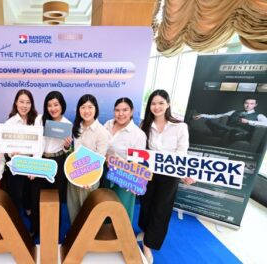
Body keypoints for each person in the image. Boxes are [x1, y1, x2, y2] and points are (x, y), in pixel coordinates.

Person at [139, 89, 195, 263]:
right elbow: (141, 151)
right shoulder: (145, 124)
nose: (157, 107)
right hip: (148, 173)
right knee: (146, 204)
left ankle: (148, 245)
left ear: (168, 104)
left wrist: (184, 173)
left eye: (161, 103)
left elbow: (182, 153)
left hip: (169, 175)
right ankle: (145, 230)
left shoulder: (180, 126)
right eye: (153, 103)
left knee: (161, 209)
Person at [31, 91, 72, 237]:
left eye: (56, 104)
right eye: (49, 105)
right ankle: (36, 228)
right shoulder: (40, 119)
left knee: (56, 197)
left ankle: (54, 228)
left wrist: (67, 146)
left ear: (62, 105)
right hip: (41, 160)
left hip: (58, 162)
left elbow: (66, 149)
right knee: (36, 196)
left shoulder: (67, 124)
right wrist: (34, 167)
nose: (53, 108)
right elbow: (37, 143)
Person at [67, 94, 110, 223]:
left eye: (90, 107)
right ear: (78, 110)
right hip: (74, 174)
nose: (86, 111)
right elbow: (72, 152)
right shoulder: (76, 127)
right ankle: (74, 234)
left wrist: (89, 179)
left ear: (95, 109)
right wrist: (66, 146)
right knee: (73, 207)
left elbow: (100, 158)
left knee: (88, 209)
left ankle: (86, 236)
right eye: (83, 107)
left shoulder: (101, 131)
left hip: (90, 178)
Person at [103, 97, 146, 222]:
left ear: (131, 111)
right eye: (117, 110)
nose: (120, 114)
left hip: (124, 175)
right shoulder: (108, 124)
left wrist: (119, 163)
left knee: (121, 208)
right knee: (103, 205)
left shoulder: (138, 135)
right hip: (104, 171)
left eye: (125, 110)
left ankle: (121, 236)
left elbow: (136, 164)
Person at [4, 89, 40, 217]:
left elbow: (40, 143)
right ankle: (16, 222)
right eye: (21, 102)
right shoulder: (9, 123)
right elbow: (5, 148)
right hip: (17, 164)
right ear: (16, 103)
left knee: (31, 195)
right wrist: (10, 153)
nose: (24, 106)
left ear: (32, 104)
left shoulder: (37, 120)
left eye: (28, 102)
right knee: (17, 195)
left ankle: (30, 215)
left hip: (32, 164)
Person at [193, 96, 267, 141]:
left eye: (251, 104)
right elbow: (217, 116)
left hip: (241, 134)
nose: (248, 105)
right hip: (228, 130)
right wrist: (202, 115)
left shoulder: (259, 115)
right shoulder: (234, 111)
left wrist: (249, 121)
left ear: (255, 105)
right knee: (210, 121)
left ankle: (227, 132)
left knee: (235, 134)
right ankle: (228, 131)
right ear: (243, 103)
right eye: (246, 103)